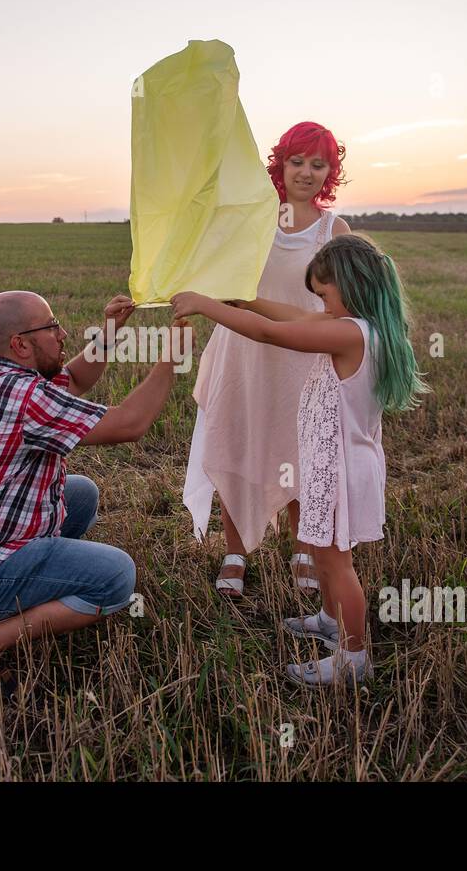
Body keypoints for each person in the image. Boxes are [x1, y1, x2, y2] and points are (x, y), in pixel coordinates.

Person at [173, 234, 429, 687]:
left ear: (350, 286)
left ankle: (353, 657)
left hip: (341, 469)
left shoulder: (348, 332)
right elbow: (292, 316)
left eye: (326, 295)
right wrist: (246, 301)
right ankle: (331, 620)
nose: (322, 305)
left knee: (335, 565)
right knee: (330, 558)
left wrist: (204, 305)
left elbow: (275, 333)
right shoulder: (361, 327)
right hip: (335, 464)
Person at [0, 290, 186, 685]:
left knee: (81, 494)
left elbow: (71, 380)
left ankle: (28, 585)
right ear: (20, 344)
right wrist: (172, 357)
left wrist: (110, 330)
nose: (64, 333)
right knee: (116, 577)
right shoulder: (24, 398)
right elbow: (131, 423)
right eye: (52, 326)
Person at [183, 121, 354, 599]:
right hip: (244, 351)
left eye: (318, 164)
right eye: (296, 161)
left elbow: (342, 302)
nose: (305, 172)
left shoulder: (333, 229)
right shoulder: (255, 218)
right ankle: (234, 551)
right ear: (279, 165)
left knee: (301, 449)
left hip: (303, 356)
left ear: (330, 172)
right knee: (236, 443)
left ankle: (303, 549)